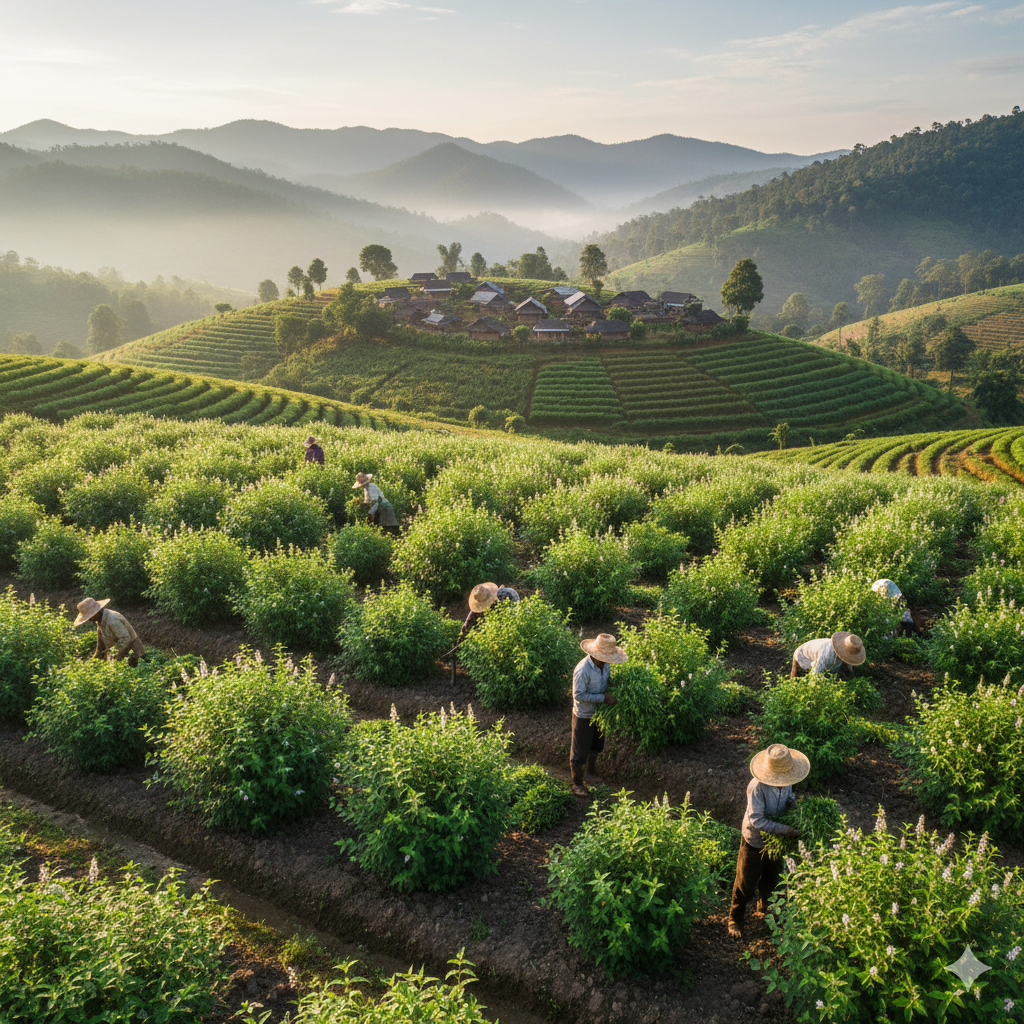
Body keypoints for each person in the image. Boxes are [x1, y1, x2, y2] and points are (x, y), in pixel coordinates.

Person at [728, 742, 809, 940]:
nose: (783, 782)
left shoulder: (789, 779)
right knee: (746, 880)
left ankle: (764, 905)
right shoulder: (757, 787)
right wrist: (786, 829)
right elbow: (757, 820)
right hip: (755, 839)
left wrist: (796, 809)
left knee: (772, 875)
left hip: (776, 840)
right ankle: (734, 918)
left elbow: (789, 797)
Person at [570, 633, 625, 798]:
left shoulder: (605, 665)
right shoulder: (583, 670)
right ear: (596, 655)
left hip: (599, 714)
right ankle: (577, 783)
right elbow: (578, 694)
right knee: (580, 750)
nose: (607, 661)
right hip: (583, 715)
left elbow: (606, 682)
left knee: (597, 745)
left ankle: (591, 773)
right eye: (605, 657)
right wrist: (603, 698)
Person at [74, 597, 145, 667]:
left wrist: (112, 653)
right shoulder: (100, 620)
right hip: (119, 654)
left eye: (89, 617)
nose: (89, 619)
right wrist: (94, 661)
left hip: (132, 654)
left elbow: (125, 639)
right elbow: (100, 644)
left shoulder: (112, 620)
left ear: (96, 613)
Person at [790, 631, 864, 678]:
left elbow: (849, 663)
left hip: (812, 650)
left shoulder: (840, 646)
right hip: (802, 656)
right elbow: (815, 676)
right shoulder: (828, 657)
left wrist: (851, 674)